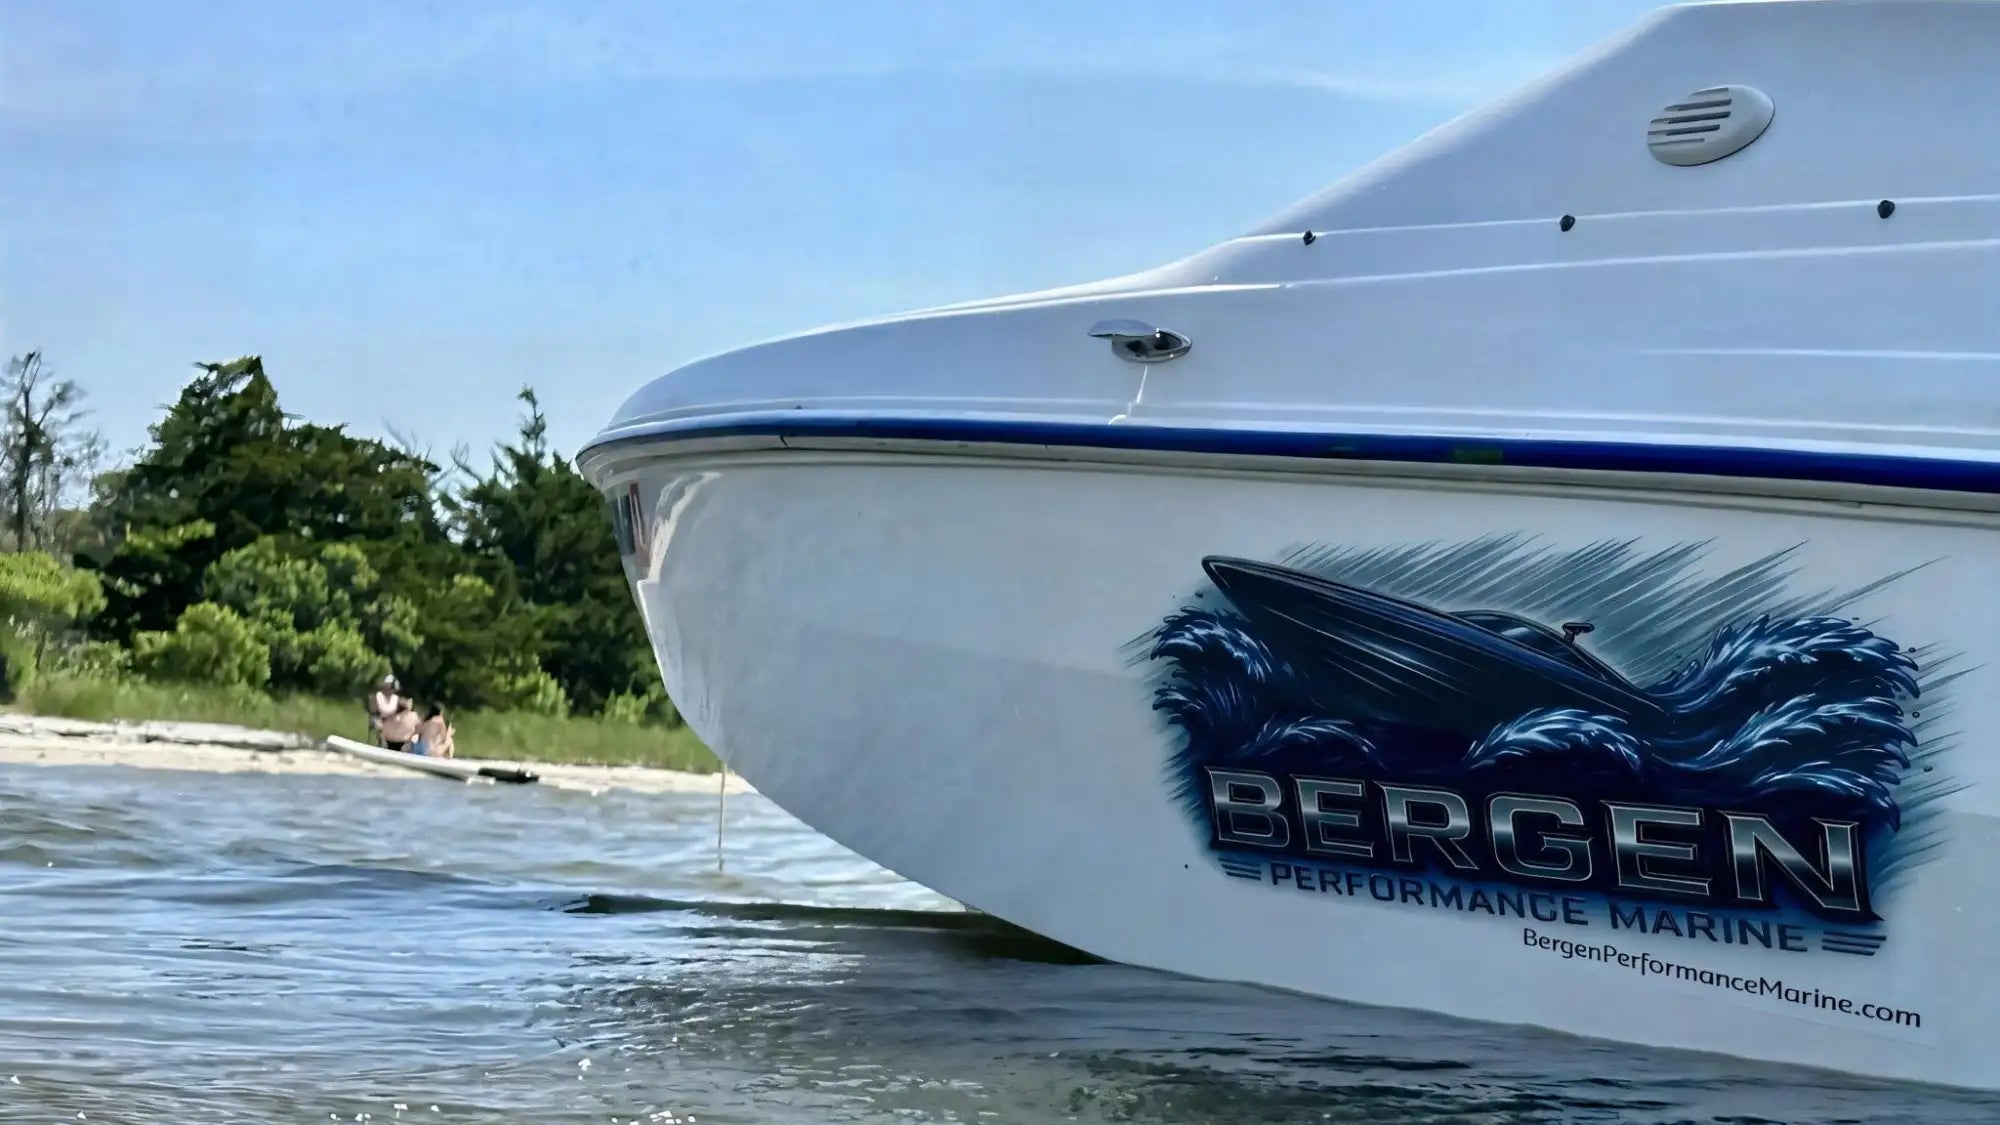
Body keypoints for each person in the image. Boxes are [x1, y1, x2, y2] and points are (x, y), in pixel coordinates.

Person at [367, 674, 402, 744]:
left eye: (393, 690)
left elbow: (399, 710)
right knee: (380, 728)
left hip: (390, 721)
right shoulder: (376, 696)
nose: (391, 691)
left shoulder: (395, 698)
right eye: (390, 689)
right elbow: (374, 712)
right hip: (378, 719)